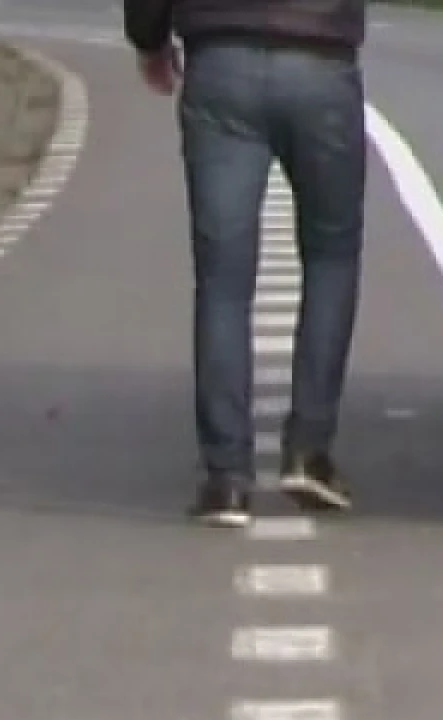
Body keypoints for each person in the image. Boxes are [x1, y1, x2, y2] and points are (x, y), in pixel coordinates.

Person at [123, 0, 368, 527]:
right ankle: (309, 450)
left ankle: (227, 478)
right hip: (321, 61)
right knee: (331, 256)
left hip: (220, 61)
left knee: (222, 280)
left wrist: (149, 38)